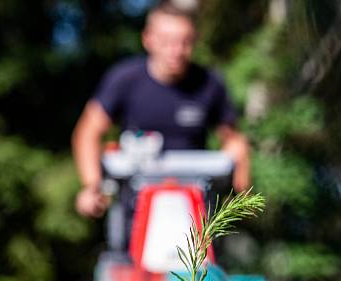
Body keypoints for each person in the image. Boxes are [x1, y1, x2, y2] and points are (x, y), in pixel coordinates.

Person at [72, 0, 251, 218]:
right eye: (167, 41)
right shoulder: (124, 80)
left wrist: (239, 196)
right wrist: (92, 186)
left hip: (195, 210)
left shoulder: (209, 83)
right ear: (148, 39)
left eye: (184, 42)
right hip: (135, 211)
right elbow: (88, 132)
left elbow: (234, 141)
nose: (176, 50)